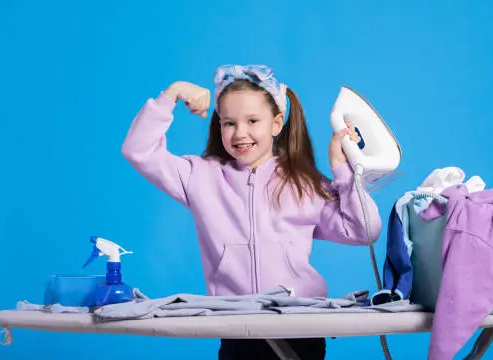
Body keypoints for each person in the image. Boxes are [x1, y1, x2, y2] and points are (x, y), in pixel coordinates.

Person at [121, 64, 383, 360]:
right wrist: (173, 93)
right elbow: (138, 150)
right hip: (237, 330)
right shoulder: (199, 176)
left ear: (277, 122)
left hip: (301, 329)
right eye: (228, 123)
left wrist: (342, 169)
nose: (239, 133)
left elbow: (364, 230)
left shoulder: (303, 183)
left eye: (253, 120)